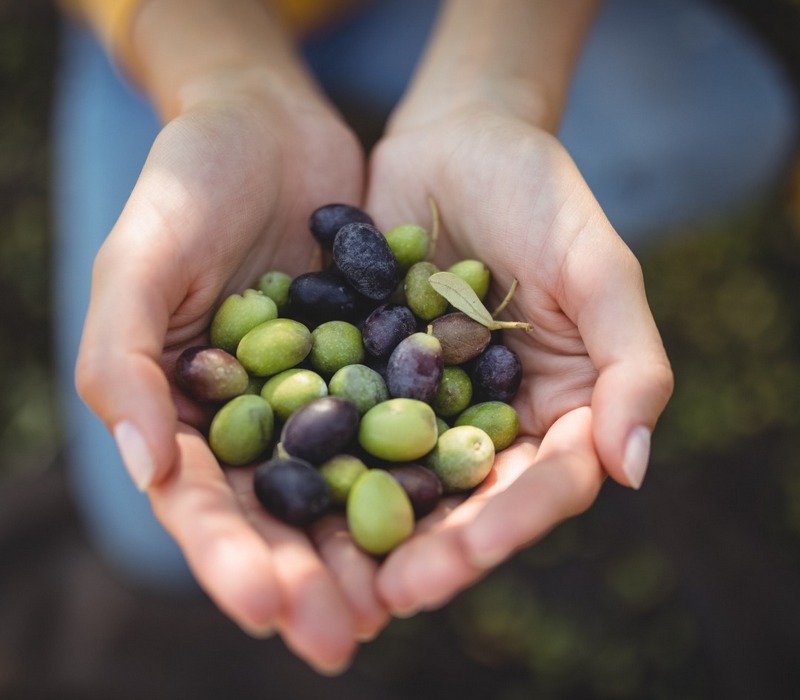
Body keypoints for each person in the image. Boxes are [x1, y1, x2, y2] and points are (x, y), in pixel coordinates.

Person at [54, 0, 679, 676]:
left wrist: (491, 93)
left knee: (735, 121)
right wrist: (229, 81)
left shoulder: (414, 355)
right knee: (144, 529)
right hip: (181, 33)